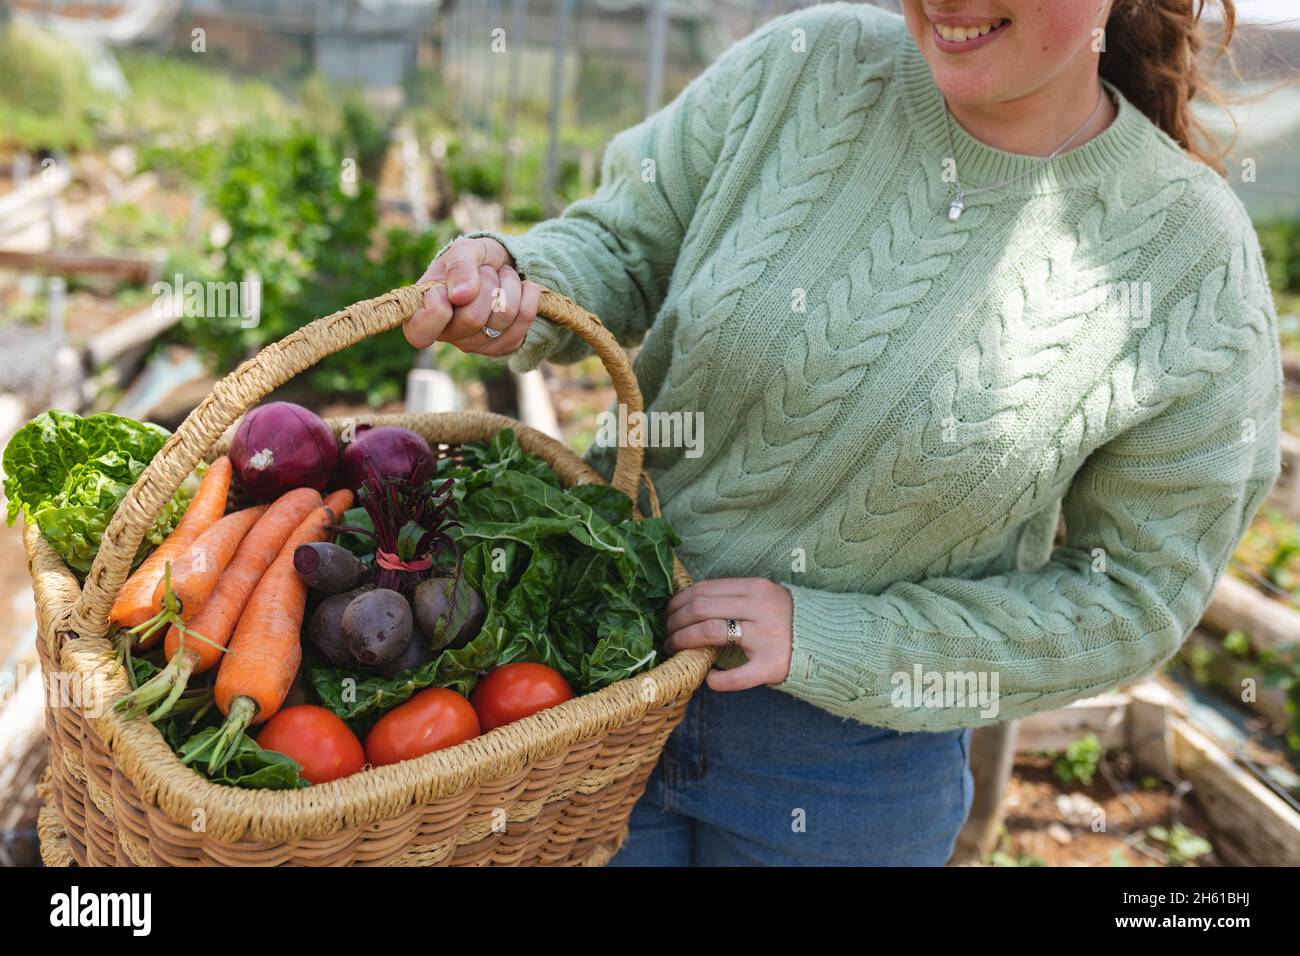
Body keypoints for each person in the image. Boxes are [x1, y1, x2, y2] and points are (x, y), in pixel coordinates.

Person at [403, 1, 1281, 865]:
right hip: (578, 683)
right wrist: (521, 284)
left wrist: (835, 640)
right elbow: (625, 242)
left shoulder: (1190, 256)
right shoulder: (806, 66)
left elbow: (1135, 594)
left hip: (851, 775)